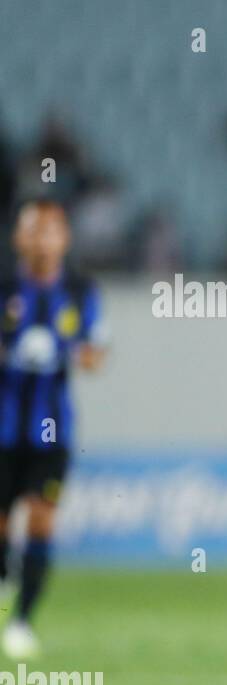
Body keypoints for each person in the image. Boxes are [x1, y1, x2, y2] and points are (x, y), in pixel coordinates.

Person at [0, 199, 107, 659]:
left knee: (42, 518)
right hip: (2, 427)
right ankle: (6, 575)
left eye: (50, 230)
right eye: (33, 230)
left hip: (52, 430)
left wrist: (63, 351)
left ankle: (22, 621)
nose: (42, 239)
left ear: (64, 238)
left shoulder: (81, 290)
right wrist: (15, 353)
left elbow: (95, 354)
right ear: (18, 239)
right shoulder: (4, 287)